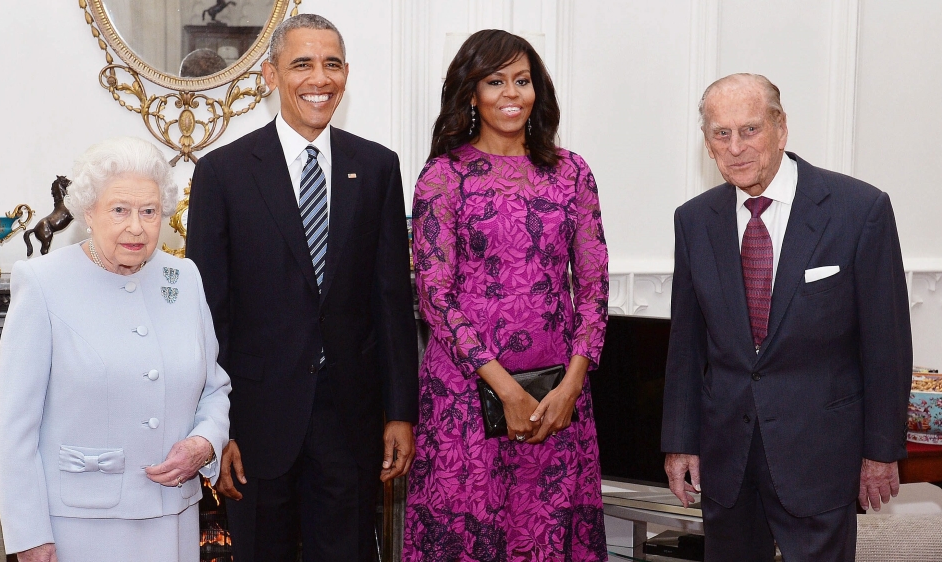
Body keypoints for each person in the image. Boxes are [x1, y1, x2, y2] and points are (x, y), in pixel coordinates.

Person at [185, 13, 419, 562]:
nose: (320, 78)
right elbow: (207, 314)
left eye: (332, 64)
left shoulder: (378, 167)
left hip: (351, 420)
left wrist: (400, 412)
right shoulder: (223, 173)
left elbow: (391, 301)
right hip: (256, 421)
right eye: (302, 64)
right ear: (270, 76)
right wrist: (214, 428)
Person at [661, 73, 913, 561]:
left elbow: (887, 345)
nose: (735, 148)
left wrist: (881, 451)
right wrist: (680, 442)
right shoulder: (693, 220)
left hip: (821, 455)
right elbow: (686, 346)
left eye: (750, 130)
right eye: (720, 133)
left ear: (781, 128)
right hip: (725, 459)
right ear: (707, 143)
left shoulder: (860, 210)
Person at [403, 29, 610, 561]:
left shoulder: (572, 173)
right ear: (471, 93)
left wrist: (571, 386)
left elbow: (593, 288)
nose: (511, 93)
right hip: (465, 399)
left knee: (544, 537)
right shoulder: (442, 178)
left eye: (522, 80)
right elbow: (435, 298)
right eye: (495, 81)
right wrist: (503, 389)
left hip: (556, 402)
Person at [0, 136, 231, 562]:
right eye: (119, 210)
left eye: (149, 211)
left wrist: (205, 442)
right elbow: (14, 425)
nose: (136, 227)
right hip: (79, 527)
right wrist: (29, 533)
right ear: (89, 212)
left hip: (172, 517)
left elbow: (214, 389)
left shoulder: (185, 277)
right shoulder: (43, 283)